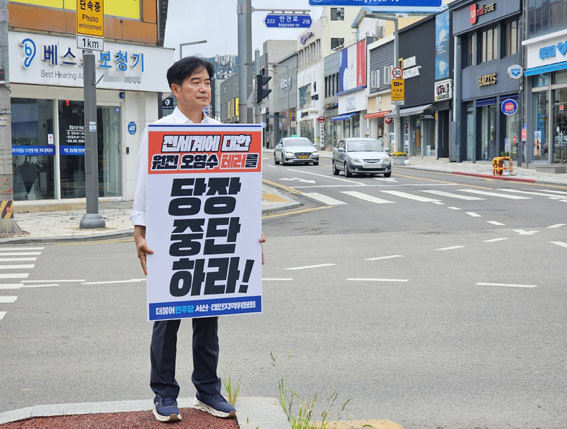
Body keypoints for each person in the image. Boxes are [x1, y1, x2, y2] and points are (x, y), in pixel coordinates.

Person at [131, 56, 265, 423]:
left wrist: (251, 234)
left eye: (206, 82)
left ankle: (208, 391)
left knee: (208, 316)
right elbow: (144, 186)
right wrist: (139, 233)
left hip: (211, 236)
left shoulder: (222, 132)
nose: (204, 88)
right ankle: (164, 394)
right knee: (167, 318)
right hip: (171, 237)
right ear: (176, 90)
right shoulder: (159, 131)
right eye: (195, 82)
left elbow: (241, 190)